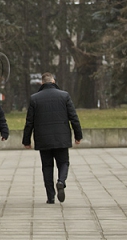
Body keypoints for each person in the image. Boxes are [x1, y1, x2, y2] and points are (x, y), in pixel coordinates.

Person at [23, 72, 83, 204]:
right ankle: (61, 181)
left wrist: (26, 140)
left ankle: (50, 196)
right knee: (63, 163)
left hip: (43, 139)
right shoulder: (64, 96)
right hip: (61, 138)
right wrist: (78, 135)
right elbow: (73, 117)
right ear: (54, 81)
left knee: (47, 167)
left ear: (42, 83)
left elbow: (29, 122)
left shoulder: (34, 98)